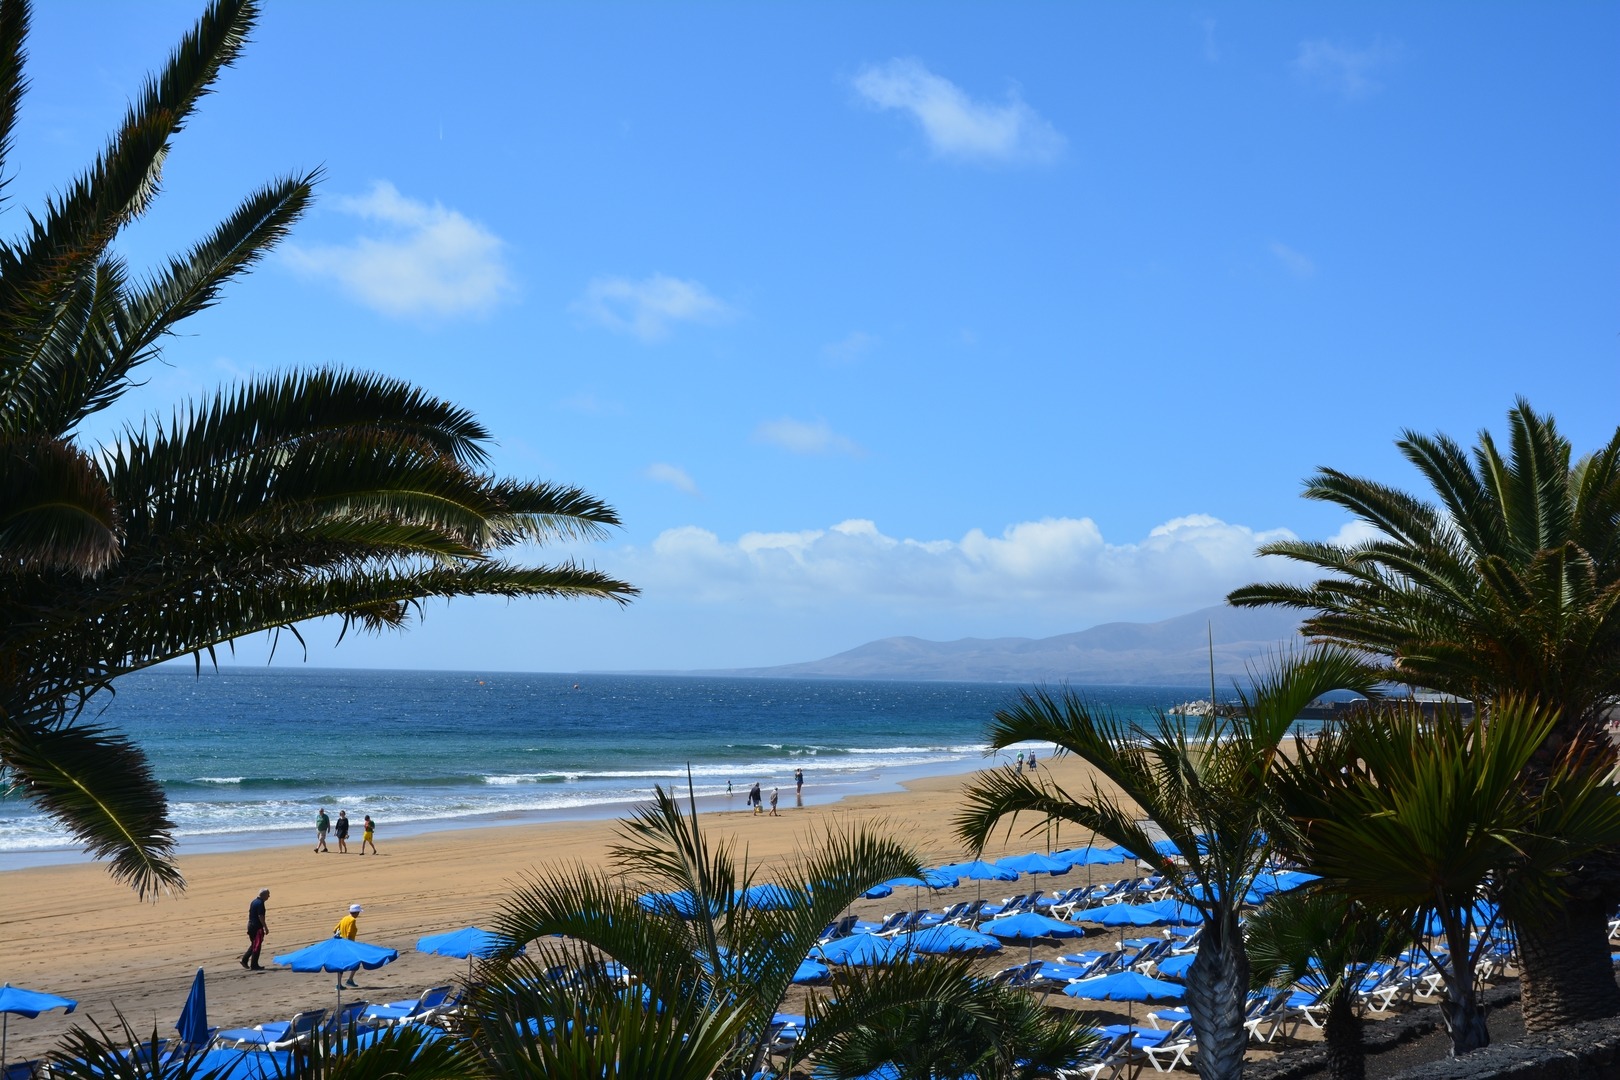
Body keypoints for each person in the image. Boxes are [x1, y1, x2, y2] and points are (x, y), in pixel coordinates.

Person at [332, 903, 362, 987]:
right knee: (357, 960)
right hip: (349, 945)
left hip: (341, 944)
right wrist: (350, 944)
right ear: (356, 913)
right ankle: (350, 979)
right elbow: (349, 933)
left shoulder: (344, 918)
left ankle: (339, 983)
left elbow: (334, 930)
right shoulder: (352, 920)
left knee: (341, 964)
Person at [240, 888, 269, 970]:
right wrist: (265, 927)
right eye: (268, 894)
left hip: (251, 925)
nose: (269, 896)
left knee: (254, 944)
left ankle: (244, 960)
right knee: (257, 945)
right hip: (256, 927)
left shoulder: (254, 901)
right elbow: (261, 916)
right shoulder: (260, 903)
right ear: (263, 895)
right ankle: (254, 965)